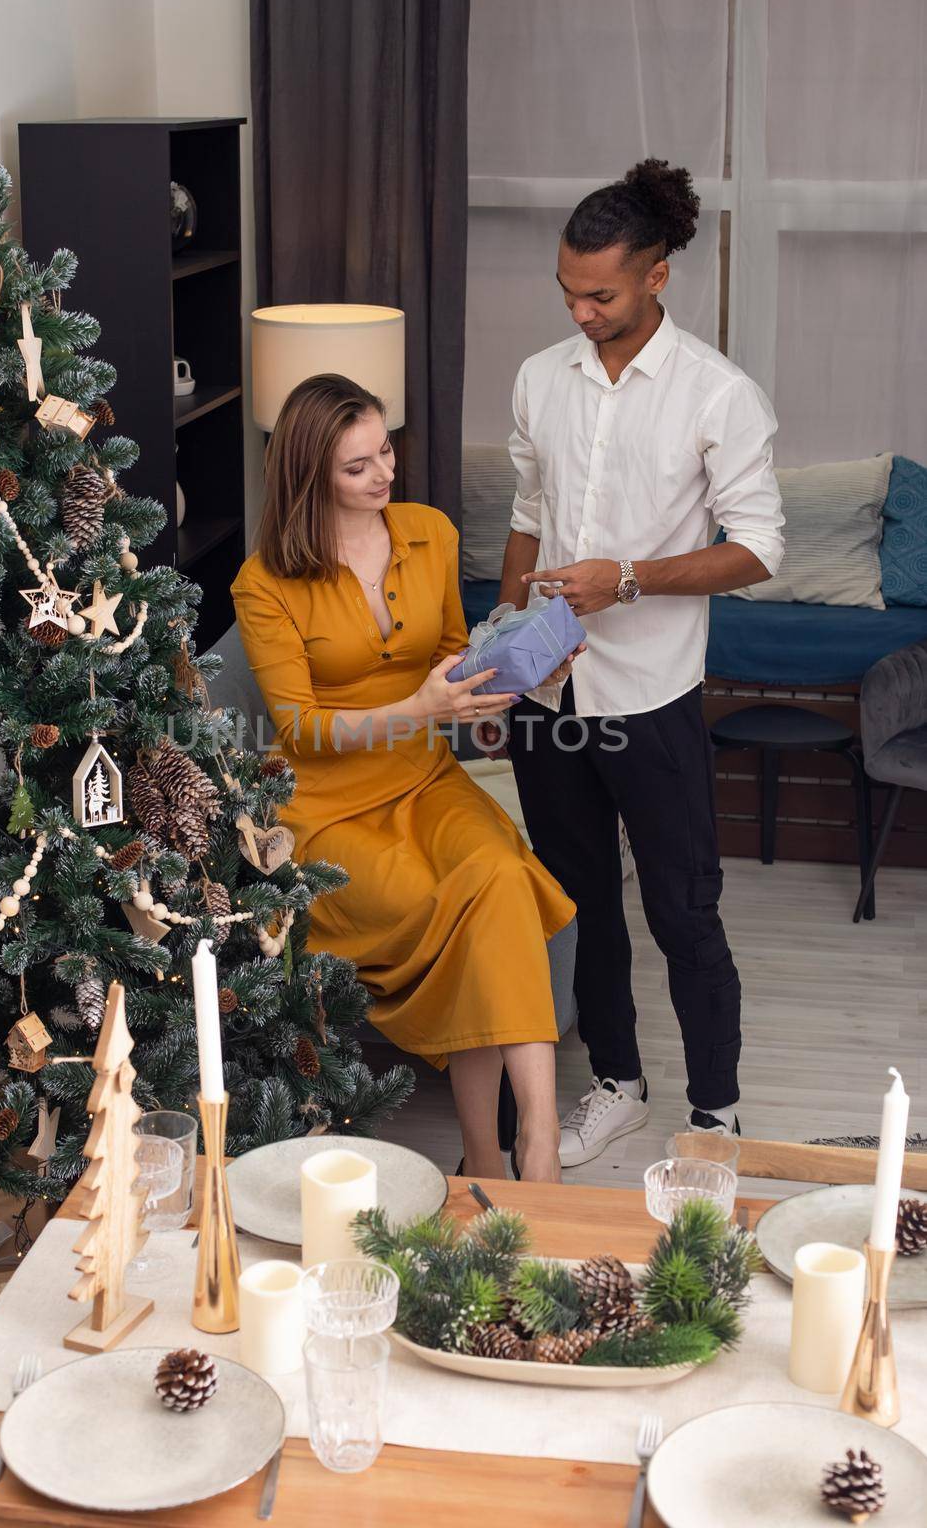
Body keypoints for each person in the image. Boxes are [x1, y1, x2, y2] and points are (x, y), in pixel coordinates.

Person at [486, 158, 784, 1168]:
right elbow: (527, 516)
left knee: (679, 908)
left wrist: (628, 580)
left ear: (656, 275)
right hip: (548, 692)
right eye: (567, 291)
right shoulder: (539, 379)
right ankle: (615, 1078)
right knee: (579, 897)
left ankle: (712, 1116)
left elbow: (756, 548)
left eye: (600, 293)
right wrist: (502, 631)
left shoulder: (717, 396)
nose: (579, 310)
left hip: (649, 698)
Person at [232, 374, 578, 1182]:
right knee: (462, 905)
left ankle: (536, 1140)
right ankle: (490, 1159)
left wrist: (525, 657)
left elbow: (450, 652)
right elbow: (301, 730)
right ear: (310, 474)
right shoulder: (263, 583)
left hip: (423, 780)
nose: (383, 474)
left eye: (384, 450)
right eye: (357, 467)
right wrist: (420, 704)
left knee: (493, 872)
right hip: (322, 810)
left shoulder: (428, 531)